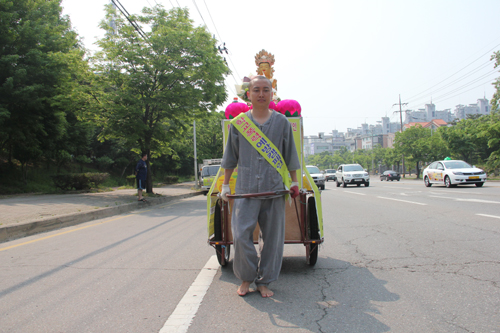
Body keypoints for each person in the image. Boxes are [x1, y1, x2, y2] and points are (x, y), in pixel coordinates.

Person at [220, 75, 300, 298]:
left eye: (266, 89)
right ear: (249, 94)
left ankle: (264, 281)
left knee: (273, 238)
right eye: (256, 90)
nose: (261, 94)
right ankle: (247, 277)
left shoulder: (282, 122)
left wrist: (294, 182)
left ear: (272, 94)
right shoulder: (239, 124)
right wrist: (226, 185)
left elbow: (290, 155)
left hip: (274, 189)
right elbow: (230, 157)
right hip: (245, 189)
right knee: (240, 234)